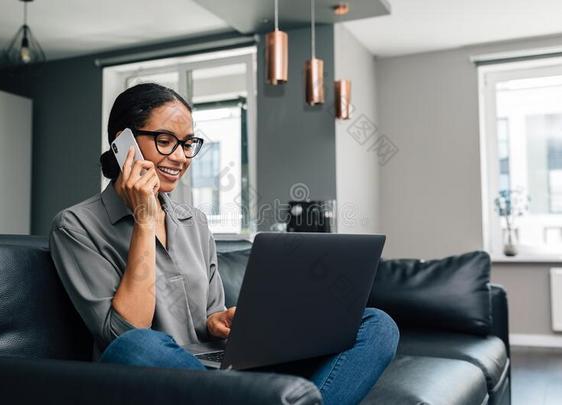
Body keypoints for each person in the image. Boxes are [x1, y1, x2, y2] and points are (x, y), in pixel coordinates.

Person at [49, 83, 399, 404]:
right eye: (165, 140)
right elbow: (126, 334)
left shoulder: (195, 222)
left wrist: (223, 321)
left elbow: (209, 315)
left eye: (188, 144)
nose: (181, 157)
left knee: (376, 323)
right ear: (121, 141)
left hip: (225, 373)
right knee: (136, 347)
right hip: (157, 380)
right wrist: (144, 216)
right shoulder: (76, 226)